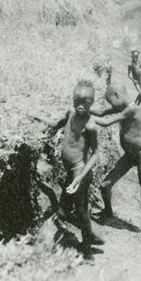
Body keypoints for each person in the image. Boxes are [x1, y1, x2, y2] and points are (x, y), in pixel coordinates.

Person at [35, 80, 104, 260]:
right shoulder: (70, 113)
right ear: (72, 100)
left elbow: (96, 154)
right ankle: (91, 234)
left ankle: (87, 249)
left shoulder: (90, 126)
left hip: (80, 173)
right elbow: (55, 124)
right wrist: (38, 119)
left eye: (86, 102)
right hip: (70, 172)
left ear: (92, 102)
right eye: (77, 101)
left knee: (81, 211)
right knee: (63, 211)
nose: (81, 106)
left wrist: (79, 178)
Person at [91, 83, 141, 241]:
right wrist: (82, 107)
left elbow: (105, 122)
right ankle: (108, 212)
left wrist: (87, 117)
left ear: (118, 96)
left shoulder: (132, 109)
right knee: (105, 185)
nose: (111, 105)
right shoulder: (121, 107)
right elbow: (101, 112)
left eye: (111, 102)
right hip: (129, 154)